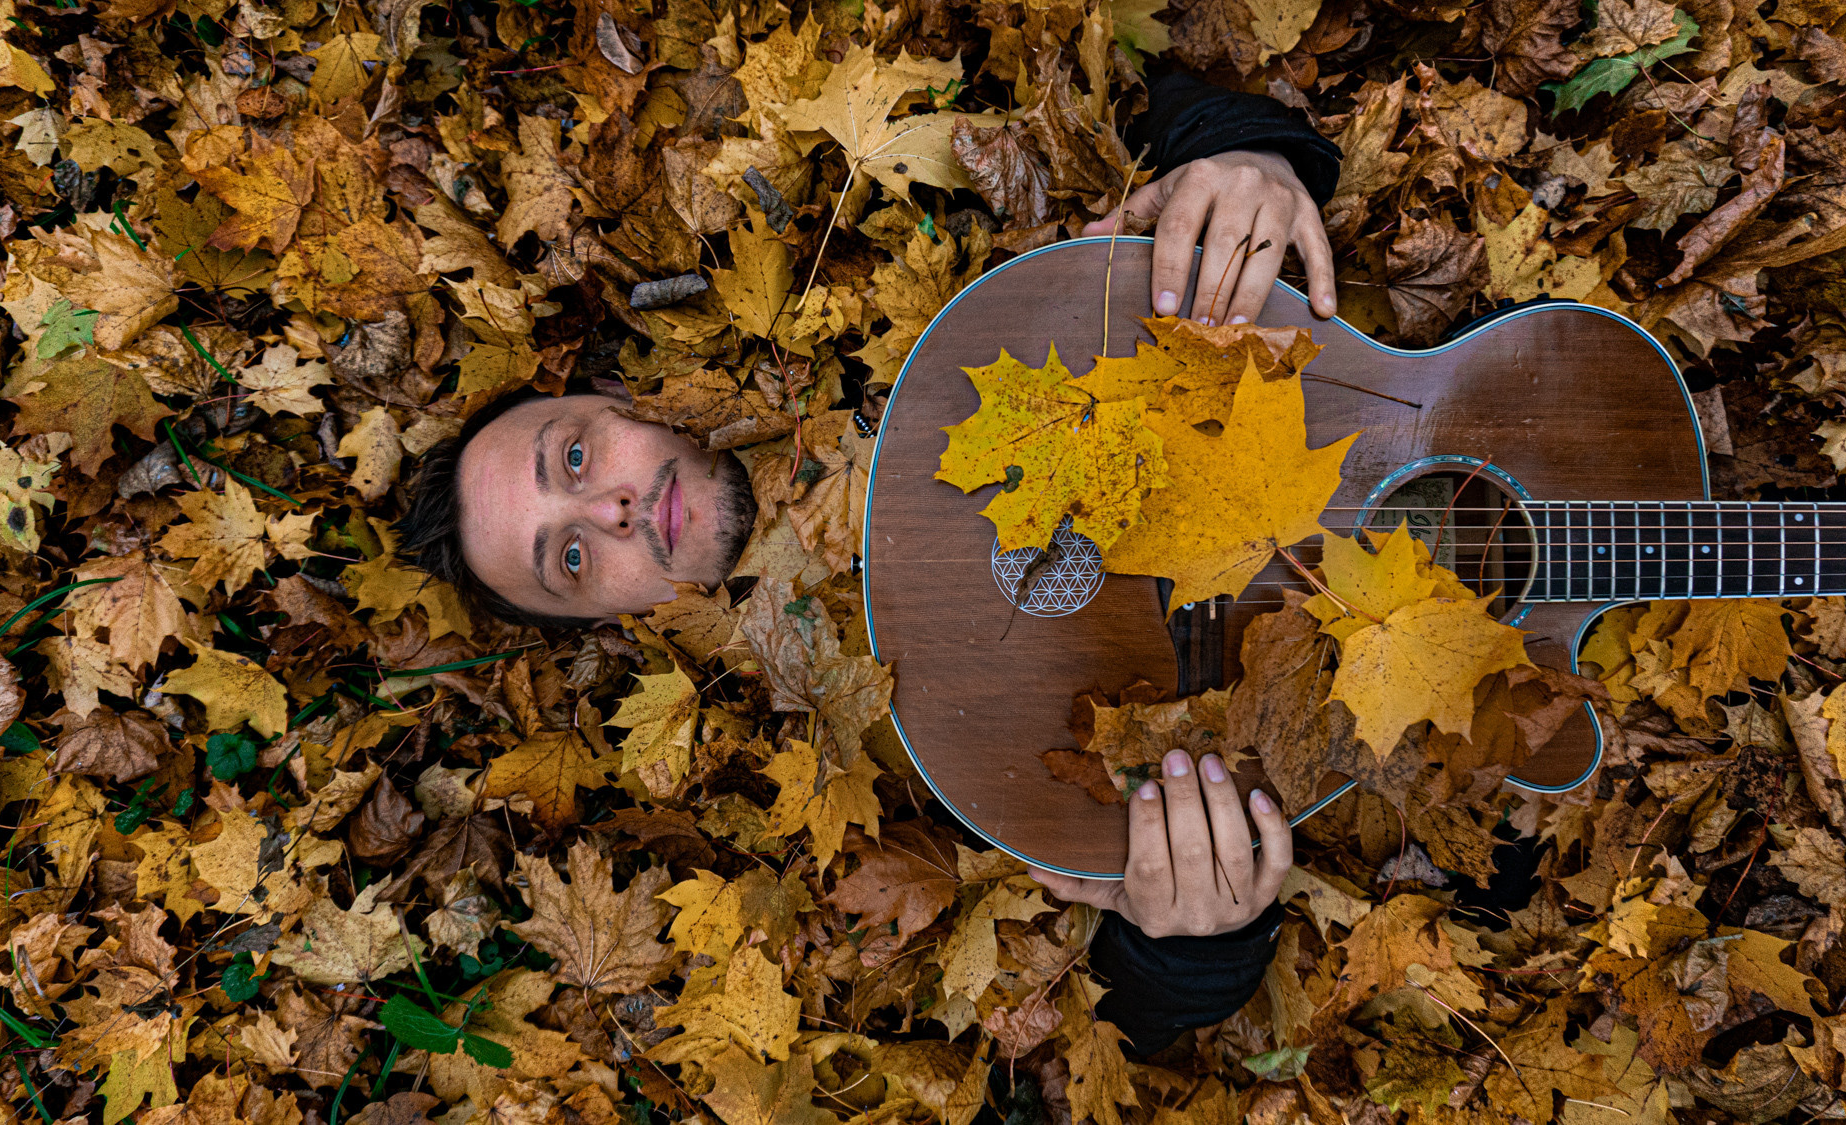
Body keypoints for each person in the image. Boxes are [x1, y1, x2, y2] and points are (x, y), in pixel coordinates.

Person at [398, 67, 1341, 1057]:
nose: (615, 507)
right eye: (574, 553)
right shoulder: (819, 801)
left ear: (611, 392)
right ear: (613, 622)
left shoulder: (850, 250)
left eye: (576, 458)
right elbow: (1061, 1034)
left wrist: (1240, 158)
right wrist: (1188, 945)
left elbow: (1109, 82)